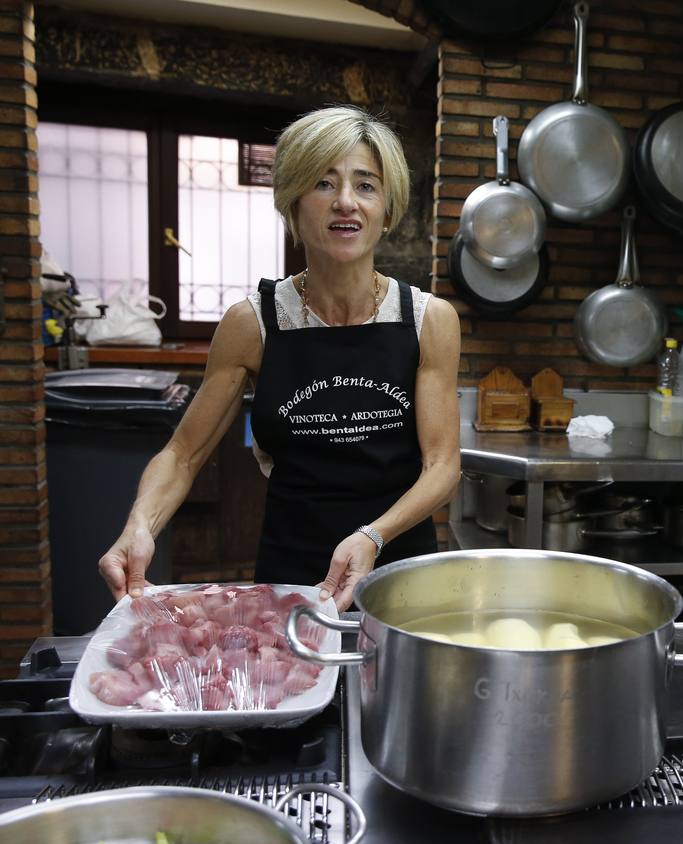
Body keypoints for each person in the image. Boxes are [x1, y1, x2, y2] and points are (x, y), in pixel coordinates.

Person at [99, 105, 461, 612]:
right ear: (293, 202)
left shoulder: (429, 320)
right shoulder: (253, 324)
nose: (345, 203)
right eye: (322, 183)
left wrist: (373, 537)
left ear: (387, 207)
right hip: (292, 569)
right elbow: (183, 454)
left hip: (396, 563)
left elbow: (442, 466)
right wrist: (139, 526)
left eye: (365, 185)